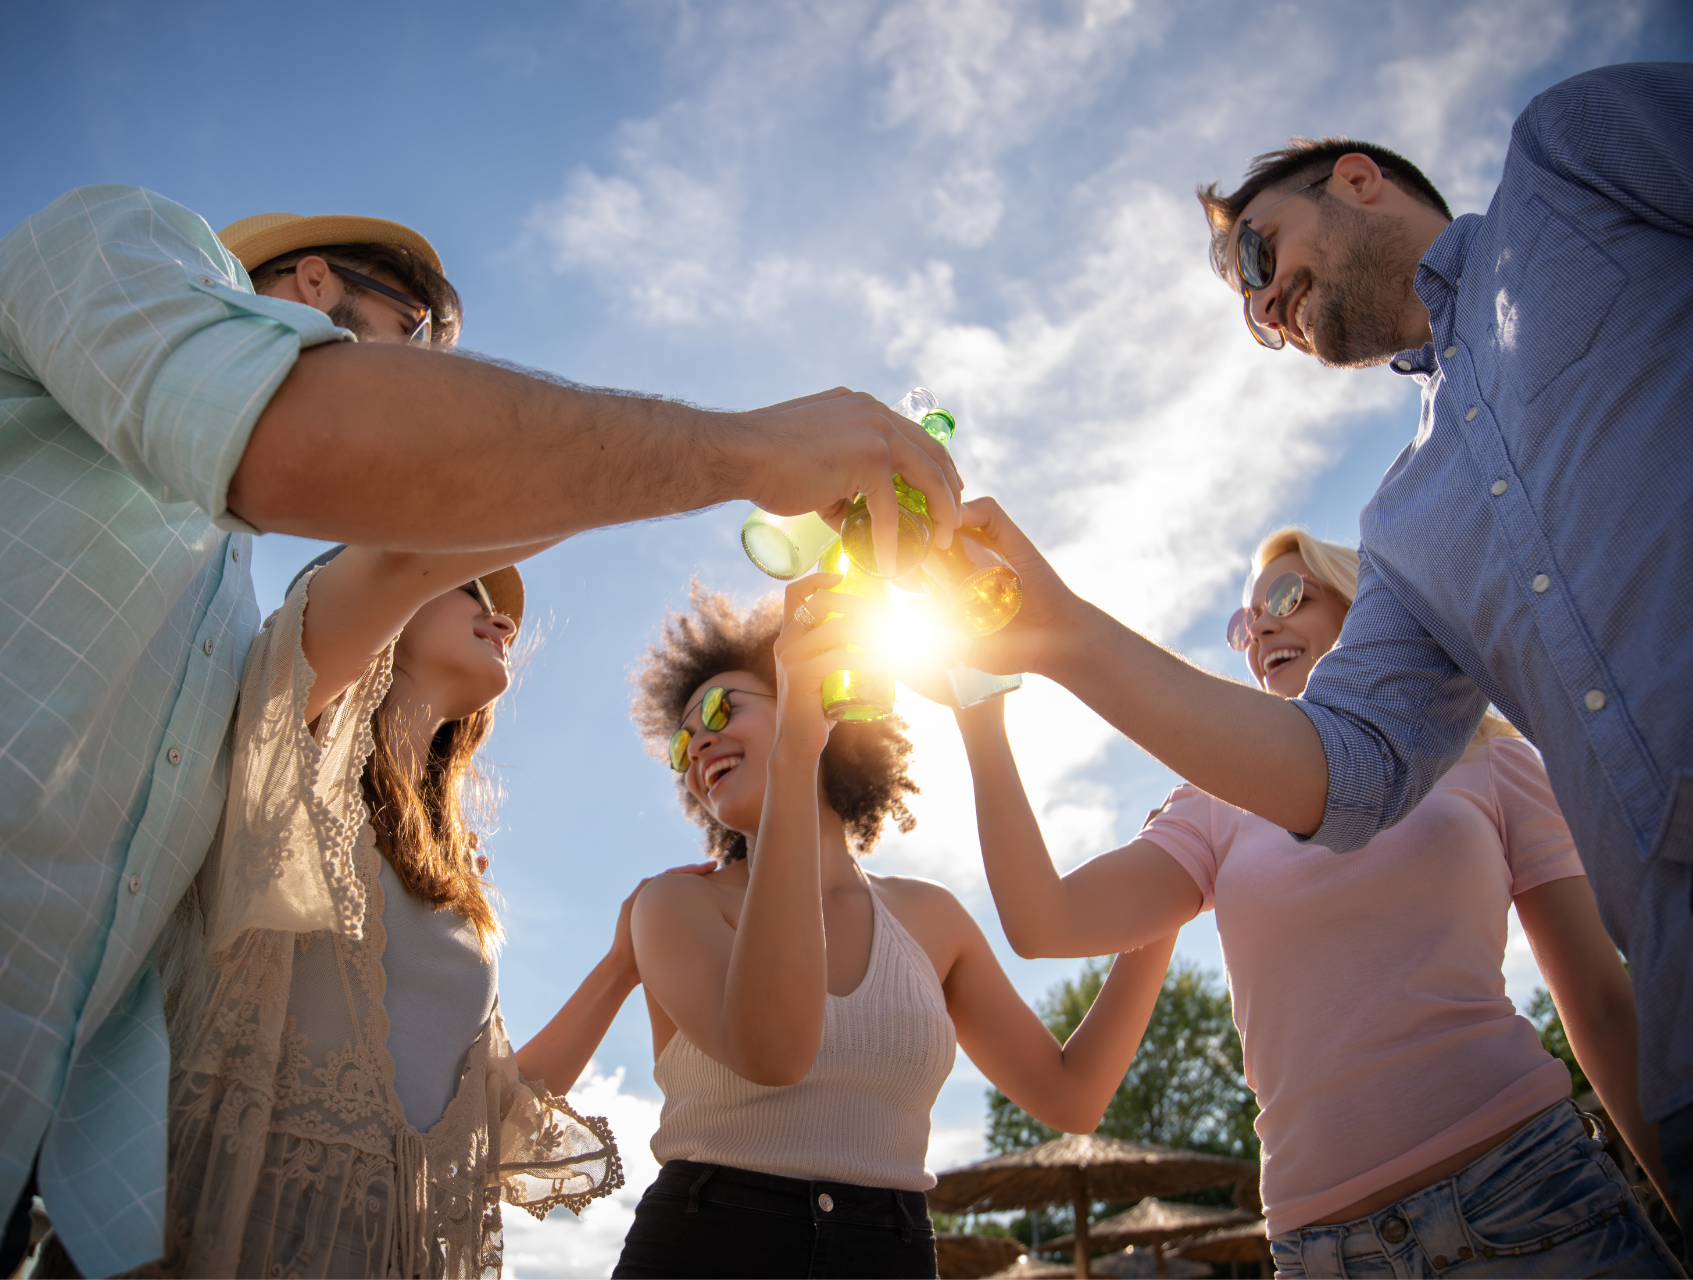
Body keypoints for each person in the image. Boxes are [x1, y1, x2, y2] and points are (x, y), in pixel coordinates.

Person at [0, 189, 962, 1279]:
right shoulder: (124, 243)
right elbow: (356, 473)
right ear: (309, 286)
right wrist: (746, 452)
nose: (495, 607)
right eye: (413, 349)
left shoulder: (220, 626)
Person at [952, 61, 1693, 1233]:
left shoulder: (1569, 164)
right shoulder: (1409, 525)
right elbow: (1342, 769)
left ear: (1359, 179)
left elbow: (1586, 997)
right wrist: (1054, 639)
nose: (1263, 309)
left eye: (1259, 256)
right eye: (1251, 311)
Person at [960, 525, 1682, 1278]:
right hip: (1324, 1251)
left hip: (1530, 1196)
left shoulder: (1485, 750)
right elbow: (1043, 922)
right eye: (1245, 621)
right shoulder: (1213, 800)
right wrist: (979, 714)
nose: (1260, 626)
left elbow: (1600, 1007)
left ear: (1363, 605)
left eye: (1284, 596)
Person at [141, 544, 694, 1278]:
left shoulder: (460, 893)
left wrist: (622, 965)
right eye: (466, 584)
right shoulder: (285, 752)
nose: (500, 619)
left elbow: (491, 1112)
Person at [610, 581, 1180, 1279]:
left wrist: (1174, 888)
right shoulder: (670, 907)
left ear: (817, 694)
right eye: (681, 739)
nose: (698, 741)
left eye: (724, 709)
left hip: (891, 1249)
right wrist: (792, 753)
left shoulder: (931, 917)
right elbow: (773, 1053)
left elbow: (1072, 1095)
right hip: (707, 1246)